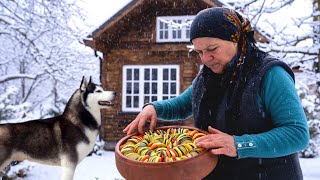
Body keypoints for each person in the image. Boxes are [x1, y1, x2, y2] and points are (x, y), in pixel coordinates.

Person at [123, 7, 309, 180]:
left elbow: (297, 134)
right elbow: (184, 104)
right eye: (199, 52)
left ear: (236, 39)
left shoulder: (270, 74)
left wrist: (238, 144)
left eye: (212, 49)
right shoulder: (208, 75)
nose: (205, 59)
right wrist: (154, 108)